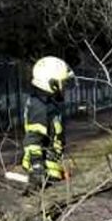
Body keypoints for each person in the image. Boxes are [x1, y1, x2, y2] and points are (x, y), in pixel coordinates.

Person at [21, 56, 75, 189]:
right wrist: (38, 167)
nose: (64, 89)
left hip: (51, 172)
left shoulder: (49, 104)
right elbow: (33, 139)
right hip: (41, 174)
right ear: (52, 84)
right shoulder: (39, 107)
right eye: (62, 84)